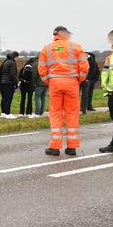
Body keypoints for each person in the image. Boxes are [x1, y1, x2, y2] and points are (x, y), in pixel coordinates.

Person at [38, 26, 89, 156]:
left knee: (55, 113)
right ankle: (72, 147)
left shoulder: (47, 48)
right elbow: (84, 67)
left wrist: (48, 81)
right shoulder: (76, 46)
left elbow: (42, 68)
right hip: (72, 82)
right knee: (72, 113)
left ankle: (55, 147)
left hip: (55, 82)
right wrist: (79, 80)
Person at [0, 51, 19, 120]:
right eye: (17, 58)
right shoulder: (12, 63)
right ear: (15, 57)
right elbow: (13, 74)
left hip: (3, 82)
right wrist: (17, 82)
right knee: (8, 98)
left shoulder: (6, 61)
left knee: (4, 98)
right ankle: (8, 113)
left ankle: (3, 113)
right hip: (9, 83)